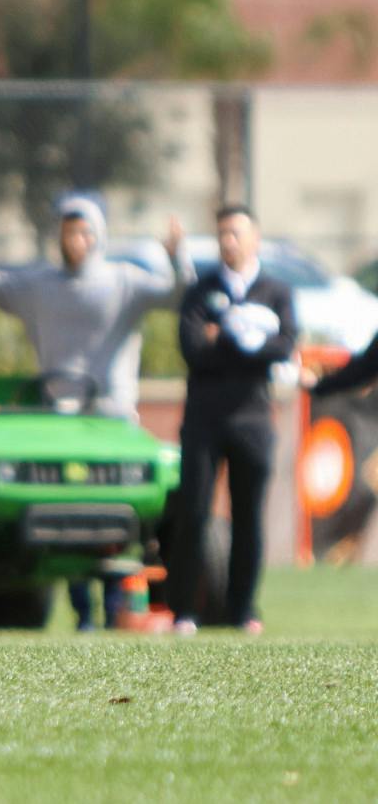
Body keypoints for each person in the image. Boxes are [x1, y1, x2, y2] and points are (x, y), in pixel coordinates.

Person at [0, 189, 190, 629]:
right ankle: (82, 611)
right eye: (67, 231)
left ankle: (119, 601)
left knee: (116, 516)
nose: (74, 239)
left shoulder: (124, 282)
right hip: (56, 422)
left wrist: (177, 257)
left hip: (111, 419)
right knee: (68, 520)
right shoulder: (39, 286)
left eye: (82, 231)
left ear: (96, 235)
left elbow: (178, 294)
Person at [172, 205, 293, 636]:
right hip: (204, 419)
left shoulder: (275, 291)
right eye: (222, 233)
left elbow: (283, 347)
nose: (229, 241)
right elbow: (192, 349)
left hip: (253, 420)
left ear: (254, 239)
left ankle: (243, 610)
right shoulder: (200, 290)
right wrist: (238, 337)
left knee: (248, 518)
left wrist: (227, 335)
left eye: (237, 233)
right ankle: (184, 611)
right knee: (193, 513)